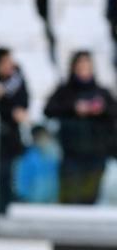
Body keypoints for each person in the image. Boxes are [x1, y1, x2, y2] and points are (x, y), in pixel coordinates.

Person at [44, 51, 117, 204]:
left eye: (87, 65)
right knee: (70, 198)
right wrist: (73, 108)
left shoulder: (101, 92)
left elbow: (113, 112)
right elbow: (48, 110)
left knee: (89, 199)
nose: (84, 68)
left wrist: (100, 110)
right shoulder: (65, 91)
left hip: (96, 154)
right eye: (81, 65)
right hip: (71, 154)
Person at [0, 48, 30, 213]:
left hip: (12, 138)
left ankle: (8, 208)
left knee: (10, 173)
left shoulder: (18, 80)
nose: (10, 66)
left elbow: (24, 103)